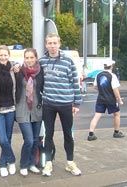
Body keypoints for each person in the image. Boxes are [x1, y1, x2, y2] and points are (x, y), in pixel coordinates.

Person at [39, 33, 82, 177]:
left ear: (59, 44)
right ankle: (48, 163)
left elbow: (75, 83)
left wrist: (77, 103)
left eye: (54, 43)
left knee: (68, 134)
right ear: (46, 44)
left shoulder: (68, 61)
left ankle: (70, 162)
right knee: (48, 135)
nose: (52, 46)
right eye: (49, 43)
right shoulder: (42, 61)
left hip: (65, 103)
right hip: (48, 104)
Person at [15, 48, 44, 176]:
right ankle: (23, 164)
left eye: (32, 57)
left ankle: (32, 164)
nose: (29, 60)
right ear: (24, 59)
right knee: (29, 140)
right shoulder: (19, 71)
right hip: (22, 110)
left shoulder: (40, 72)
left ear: (36, 58)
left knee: (36, 140)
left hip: (37, 110)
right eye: (27, 57)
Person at [0, 45, 17, 177]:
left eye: (5, 55)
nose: (3, 57)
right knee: (2, 139)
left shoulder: (13, 68)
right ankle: (11, 160)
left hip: (11, 108)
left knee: (8, 138)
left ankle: (3, 164)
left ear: (9, 56)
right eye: (0, 55)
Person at [87, 60, 124, 141]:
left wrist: (102, 90)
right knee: (116, 114)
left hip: (101, 98)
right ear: (111, 66)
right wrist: (119, 99)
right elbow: (115, 89)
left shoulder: (98, 75)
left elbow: (95, 86)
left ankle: (91, 134)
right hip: (111, 99)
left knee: (97, 115)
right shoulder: (112, 76)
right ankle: (116, 132)